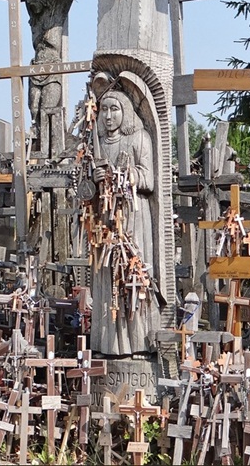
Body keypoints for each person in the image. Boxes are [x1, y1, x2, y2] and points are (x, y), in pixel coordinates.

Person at [91, 87, 159, 354]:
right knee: (107, 277)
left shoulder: (139, 139)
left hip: (131, 217)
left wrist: (123, 175)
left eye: (114, 109)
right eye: (104, 110)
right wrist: (95, 179)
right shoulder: (96, 145)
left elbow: (149, 180)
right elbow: (84, 187)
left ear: (126, 112)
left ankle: (138, 342)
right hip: (105, 219)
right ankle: (106, 343)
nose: (108, 116)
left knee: (131, 277)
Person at [22, 0, 75, 156]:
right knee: (34, 110)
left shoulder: (55, 14)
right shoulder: (34, 21)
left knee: (48, 110)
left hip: (52, 70)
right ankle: (37, 144)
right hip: (36, 68)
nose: (29, 3)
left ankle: (50, 149)